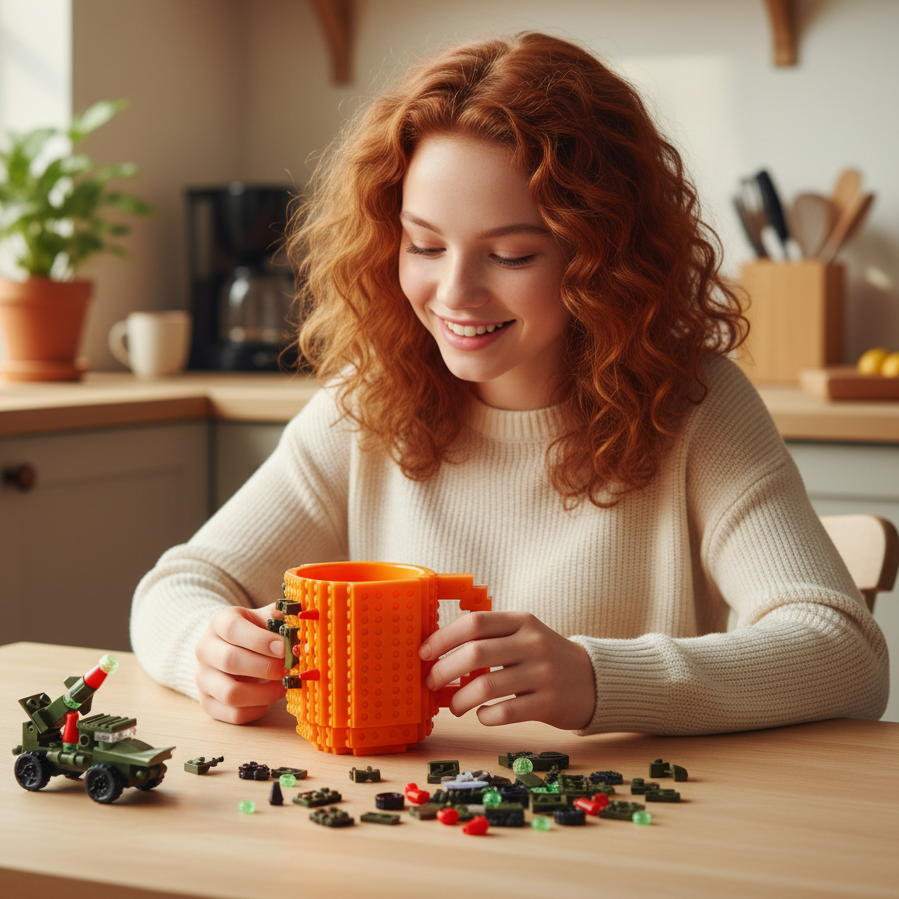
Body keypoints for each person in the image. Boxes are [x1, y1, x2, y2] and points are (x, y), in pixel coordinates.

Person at [131, 31, 888, 733]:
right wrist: (208, 646)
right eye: (424, 245)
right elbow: (178, 586)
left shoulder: (694, 405)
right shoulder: (367, 402)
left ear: (603, 257)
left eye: (512, 255)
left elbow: (843, 653)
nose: (455, 293)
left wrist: (598, 677)